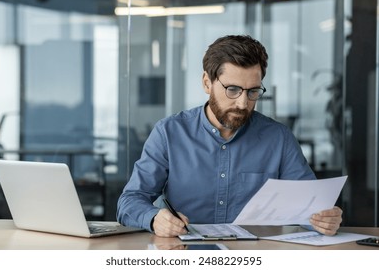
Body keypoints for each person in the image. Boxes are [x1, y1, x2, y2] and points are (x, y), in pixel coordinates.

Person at [116, 34, 342, 238]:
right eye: (232, 90)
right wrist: (155, 219)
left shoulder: (278, 138)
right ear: (207, 83)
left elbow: (310, 208)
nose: (243, 103)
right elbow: (129, 201)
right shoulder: (169, 133)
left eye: (253, 92)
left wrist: (323, 221)